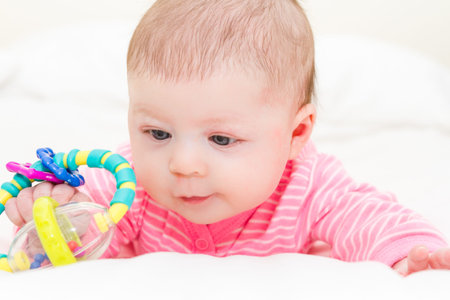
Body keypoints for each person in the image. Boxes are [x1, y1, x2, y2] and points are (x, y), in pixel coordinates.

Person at [4, 0, 450, 276]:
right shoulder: (130, 184)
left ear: (296, 133)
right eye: (157, 132)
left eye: (221, 139)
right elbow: (86, 220)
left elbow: (371, 218)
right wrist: (55, 214)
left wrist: (413, 254)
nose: (182, 163)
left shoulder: (311, 186)